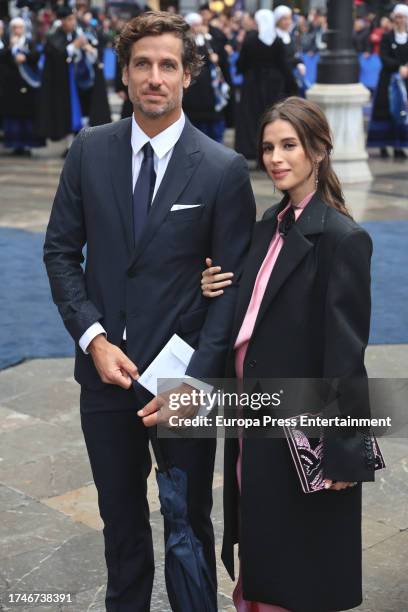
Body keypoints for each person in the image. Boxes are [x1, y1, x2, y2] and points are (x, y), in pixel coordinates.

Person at [43, 11, 255, 611]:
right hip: (106, 375)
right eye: (142, 64)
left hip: (186, 379)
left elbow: (233, 290)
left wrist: (195, 380)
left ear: (188, 75)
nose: (154, 77)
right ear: (125, 74)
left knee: (189, 526)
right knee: (121, 527)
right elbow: (61, 251)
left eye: (167, 65)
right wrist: (94, 339)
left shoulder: (222, 168)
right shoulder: (89, 151)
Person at [201, 97, 375, 611]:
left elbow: (346, 355)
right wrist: (213, 285)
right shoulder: (266, 225)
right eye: (269, 147)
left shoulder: (343, 239)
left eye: (289, 145)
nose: (276, 158)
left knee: (297, 564)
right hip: (250, 421)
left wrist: (345, 450)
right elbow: (250, 312)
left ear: (318, 150)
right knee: (261, 548)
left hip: (299, 425)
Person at [37, 6, 110, 153]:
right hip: (66, 83)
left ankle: (87, 142)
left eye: (70, 19)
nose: (67, 22)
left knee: (86, 111)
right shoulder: (54, 37)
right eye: (64, 19)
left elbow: (96, 54)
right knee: (69, 112)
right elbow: (56, 56)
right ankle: (70, 145)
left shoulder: (84, 33)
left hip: (85, 81)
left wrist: (89, 49)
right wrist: (74, 46)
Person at [235, 9, 296, 161]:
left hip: (253, 85)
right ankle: (270, 150)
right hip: (274, 86)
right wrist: (291, 84)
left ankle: (253, 151)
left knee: (252, 119)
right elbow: (284, 65)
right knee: (271, 118)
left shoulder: (250, 39)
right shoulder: (277, 41)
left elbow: (241, 63)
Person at [367, 4, 408, 159]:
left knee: (401, 112)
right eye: (397, 17)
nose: (400, 20)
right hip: (387, 81)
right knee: (385, 112)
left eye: (402, 17)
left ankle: (399, 146)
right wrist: (399, 67)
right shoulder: (386, 37)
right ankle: (383, 145)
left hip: (404, 82)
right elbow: (384, 58)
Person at [183, 12, 231, 143]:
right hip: (194, 87)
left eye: (200, 24)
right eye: (196, 25)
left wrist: (217, 57)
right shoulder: (185, 42)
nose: (199, 28)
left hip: (209, 89)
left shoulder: (208, 40)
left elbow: (220, 49)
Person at [0, 17, 44, 155]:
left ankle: (27, 146)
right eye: (14, 28)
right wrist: (11, 49)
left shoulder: (30, 42)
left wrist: (26, 57)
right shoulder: (7, 43)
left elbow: (36, 56)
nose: (17, 31)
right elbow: (3, 60)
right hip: (12, 87)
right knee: (13, 116)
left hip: (28, 86)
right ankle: (15, 145)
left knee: (27, 117)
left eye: (19, 27)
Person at [273, 5, 306, 94]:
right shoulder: (273, 38)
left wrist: (299, 63)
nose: (288, 22)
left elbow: (293, 55)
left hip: (289, 79)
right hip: (277, 80)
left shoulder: (290, 37)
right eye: (285, 19)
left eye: (289, 19)